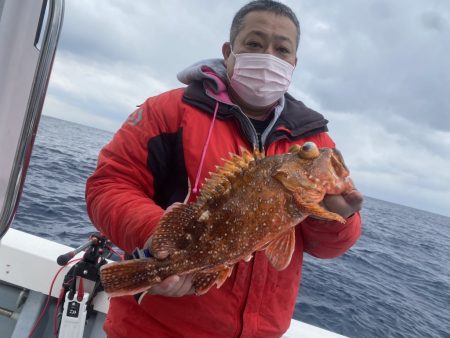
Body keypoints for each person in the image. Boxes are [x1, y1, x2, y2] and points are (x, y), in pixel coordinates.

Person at [86, 1, 363, 337]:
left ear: (294, 62)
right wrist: (160, 236)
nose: (269, 57)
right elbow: (109, 186)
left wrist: (336, 217)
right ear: (229, 51)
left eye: (282, 49)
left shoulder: (316, 138)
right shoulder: (168, 111)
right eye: (254, 44)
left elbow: (327, 247)